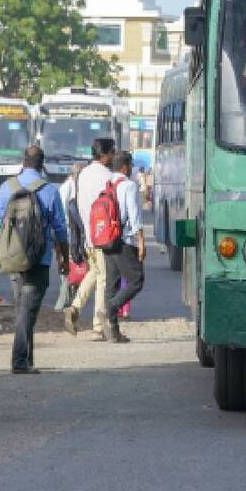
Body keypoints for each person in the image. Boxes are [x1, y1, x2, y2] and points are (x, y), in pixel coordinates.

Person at [0, 146, 69, 374]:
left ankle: (27, 358)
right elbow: (60, 229)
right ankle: (20, 361)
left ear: (23, 162)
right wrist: (64, 259)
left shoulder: (8, 187)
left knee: (23, 308)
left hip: (12, 256)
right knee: (27, 310)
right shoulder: (49, 190)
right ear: (42, 164)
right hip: (40, 259)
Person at [63, 138, 116, 340]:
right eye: (112, 153)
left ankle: (75, 307)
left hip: (88, 235)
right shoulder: (107, 176)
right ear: (106, 154)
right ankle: (98, 326)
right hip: (103, 236)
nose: (113, 157)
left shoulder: (83, 174)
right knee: (104, 278)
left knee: (94, 272)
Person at [102, 151, 145, 343]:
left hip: (106, 240)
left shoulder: (107, 183)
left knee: (112, 284)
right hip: (123, 240)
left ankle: (113, 332)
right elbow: (134, 215)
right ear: (125, 167)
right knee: (136, 279)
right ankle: (112, 307)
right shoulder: (128, 185)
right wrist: (141, 241)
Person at [53, 162, 86, 312]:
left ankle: (69, 301)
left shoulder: (77, 187)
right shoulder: (66, 188)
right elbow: (61, 214)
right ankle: (62, 305)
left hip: (73, 234)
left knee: (74, 268)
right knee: (66, 271)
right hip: (66, 234)